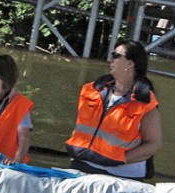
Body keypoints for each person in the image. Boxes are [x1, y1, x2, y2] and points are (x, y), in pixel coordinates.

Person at [65, 40, 162, 180]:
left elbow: (153, 144)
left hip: (121, 175)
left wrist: (120, 158)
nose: (110, 59)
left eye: (115, 55)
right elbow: (80, 127)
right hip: (82, 164)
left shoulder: (145, 102)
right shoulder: (91, 90)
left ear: (130, 63)